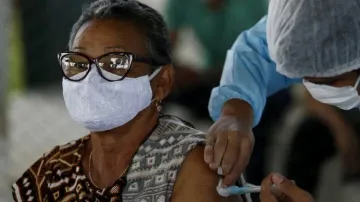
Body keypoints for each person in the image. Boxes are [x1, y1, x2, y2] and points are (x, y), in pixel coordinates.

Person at [11, 1, 247, 201]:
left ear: (162, 82)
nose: (91, 78)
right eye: (78, 63)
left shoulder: (194, 168)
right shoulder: (53, 170)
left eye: (115, 63)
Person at [205, 0, 360, 189]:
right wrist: (235, 112)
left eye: (330, 81)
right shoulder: (311, 23)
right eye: (305, 79)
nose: (321, 91)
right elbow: (258, 52)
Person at [165, 0, 268, 119]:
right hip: (212, 78)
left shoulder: (253, 5)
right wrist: (173, 71)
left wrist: (199, 77)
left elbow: (251, 63)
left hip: (253, 82)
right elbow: (165, 48)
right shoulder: (181, 3)